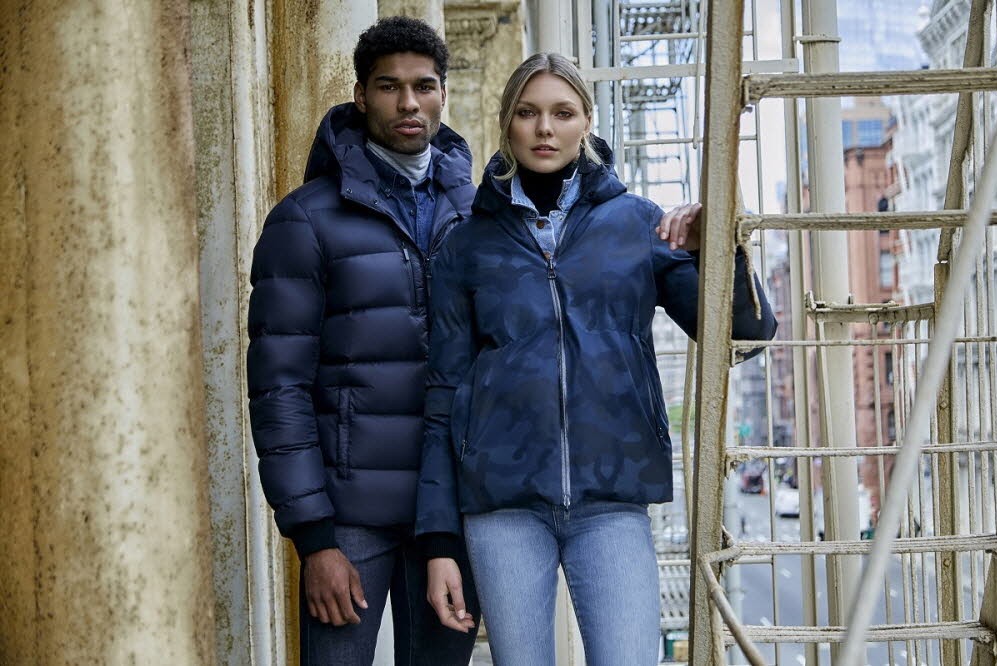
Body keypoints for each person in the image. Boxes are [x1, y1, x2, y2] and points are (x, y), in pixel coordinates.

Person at [415, 52, 777, 665]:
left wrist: (716, 248)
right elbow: (443, 395)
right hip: (502, 509)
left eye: (563, 113)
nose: (545, 128)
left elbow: (745, 334)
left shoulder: (637, 225)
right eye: (528, 113)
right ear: (507, 122)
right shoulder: (467, 245)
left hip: (612, 500)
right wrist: (438, 541)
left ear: (587, 121)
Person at [246, 16, 480, 665]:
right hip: (348, 519)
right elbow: (278, 387)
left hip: (451, 510)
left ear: (442, 94)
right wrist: (314, 538)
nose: (408, 103)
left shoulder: (478, 213)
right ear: (360, 95)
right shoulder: (303, 220)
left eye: (424, 86)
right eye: (388, 86)